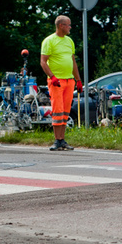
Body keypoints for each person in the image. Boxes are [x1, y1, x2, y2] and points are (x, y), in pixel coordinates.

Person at [40, 15, 83, 151]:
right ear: (61, 26)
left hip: (69, 80)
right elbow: (43, 61)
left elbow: (73, 62)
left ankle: (62, 140)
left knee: (65, 111)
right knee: (57, 109)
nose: (70, 27)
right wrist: (52, 77)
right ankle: (57, 140)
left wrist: (78, 80)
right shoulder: (49, 41)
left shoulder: (69, 41)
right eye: (68, 25)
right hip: (56, 81)